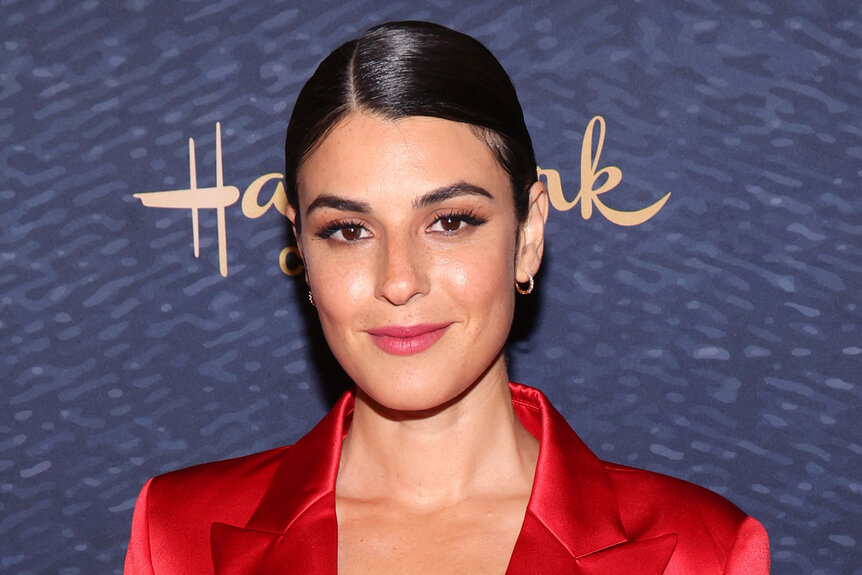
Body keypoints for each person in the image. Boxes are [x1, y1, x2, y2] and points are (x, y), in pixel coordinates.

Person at [123, 21, 770, 574]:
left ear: (529, 232)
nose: (399, 280)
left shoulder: (701, 551)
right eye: (348, 230)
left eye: (450, 221)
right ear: (302, 249)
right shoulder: (179, 537)